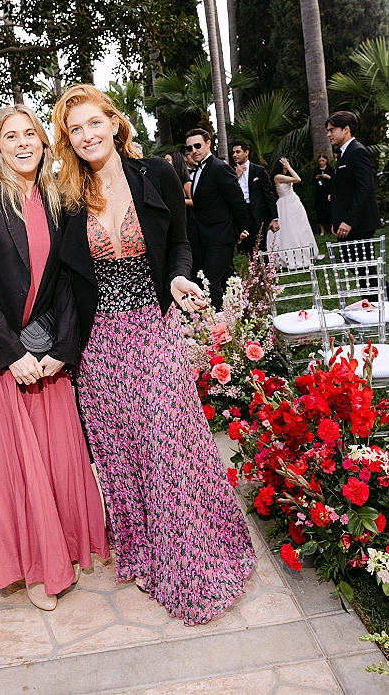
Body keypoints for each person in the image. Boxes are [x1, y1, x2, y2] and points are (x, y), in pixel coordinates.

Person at [52, 84, 256, 626]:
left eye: (94, 123)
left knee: (172, 442)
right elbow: (62, 281)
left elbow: (181, 241)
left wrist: (178, 277)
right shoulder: (68, 198)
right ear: (67, 140)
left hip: (151, 327)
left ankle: (197, 561)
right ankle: (143, 553)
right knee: (123, 455)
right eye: (75, 129)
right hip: (98, 347)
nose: (87, 135)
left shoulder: (156, 175)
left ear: (115, 124)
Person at [0, 104, 109, 612]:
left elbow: (62, 280)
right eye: (10, 136)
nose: (23, 143)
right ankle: (38, 570)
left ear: (43, 141)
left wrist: (63, 350)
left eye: (31, 134)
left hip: (42, 353)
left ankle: (60, 551)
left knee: (52, 458)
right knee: (13, 466)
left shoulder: (56, 197)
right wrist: (11, 353)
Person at [185, 128, 248, 310]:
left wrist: (239, 230)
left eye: (198, 146)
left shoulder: (219, 168)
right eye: (189, 148)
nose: (194, 151)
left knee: (210, 283)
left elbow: (237, 202)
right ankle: (242, 315)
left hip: (221, 236)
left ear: (208, 143)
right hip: (207, 237)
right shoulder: (198, 171)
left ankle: (219, 326)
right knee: (228, 278)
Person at [325, 111, 381, 241]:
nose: (328, 134)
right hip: (345, 225)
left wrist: (349, 222)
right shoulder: (343, 153)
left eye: (332, 130)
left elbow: (365, 189)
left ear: (346, 129)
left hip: (358, 226)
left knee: (361, 261)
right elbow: (346, 186)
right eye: (328, 131)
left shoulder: (357, 152)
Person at [232, 141, 279, 256]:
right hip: (241, 214)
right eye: (233, 152)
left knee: (260, 247)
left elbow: (268, 194)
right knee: (248, 248)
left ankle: (264, 272)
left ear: (246, 152)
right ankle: (253, 272)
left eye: (238, 152)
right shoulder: (230, 173)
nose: (234, 155)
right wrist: (236, 176)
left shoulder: (258, 170)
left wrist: (274, 218)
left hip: (258, 214)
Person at [269, 157, 318, 265]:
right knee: (289, 228)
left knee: (300, 226)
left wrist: (288, 167)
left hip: (294, 202)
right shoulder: (278, 177)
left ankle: (305, 251)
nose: (286, 169)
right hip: (285, 204)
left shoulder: (284, 176)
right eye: (284, 167)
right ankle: (292, 254)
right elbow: (297, 179)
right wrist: (289, 167)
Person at [313, 154, 334, 236]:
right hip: (319, 194)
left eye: (323, 161)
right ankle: (322, 230)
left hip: (328, 192)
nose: (321, 163)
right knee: (320, 211)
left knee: (330, 210)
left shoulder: (330, 169)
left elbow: (334, 180)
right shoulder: (316, 170)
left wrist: (328, 177)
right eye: (320, 161)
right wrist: (317, 178)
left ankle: (333, 227)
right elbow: (312, 182)